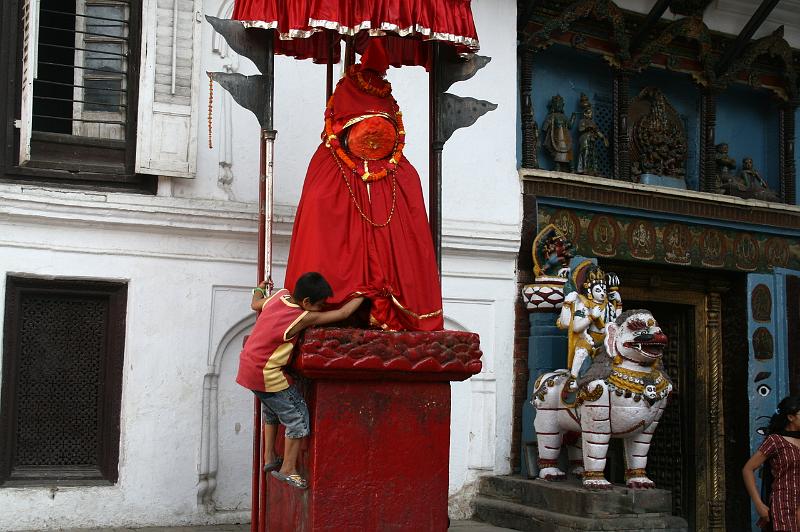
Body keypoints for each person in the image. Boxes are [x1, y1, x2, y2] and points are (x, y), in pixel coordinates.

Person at [284, 39, 443, 332]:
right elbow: (335, 126)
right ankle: (338, 307)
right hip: (345, 166)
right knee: (322, 207)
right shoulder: (329, 164)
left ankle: (390, 310)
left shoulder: (404, 176)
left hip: (387, 173)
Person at [236, 272, 365, 489]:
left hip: (247, 369)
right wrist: (365, 293)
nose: (322, 308)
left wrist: (259, 289)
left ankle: (269, 458)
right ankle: (288, 468)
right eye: (320, 305)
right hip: (266, 374)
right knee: (297, 418)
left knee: (272, 409)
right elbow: (343, 312)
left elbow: (255, 304)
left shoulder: (280, 296)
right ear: (306, 302)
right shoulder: (303, 316)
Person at [743, 396, 800, 531]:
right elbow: (747, 469)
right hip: (784, 502)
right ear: (791, 417)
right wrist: (759, 504)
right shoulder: (775, 440)